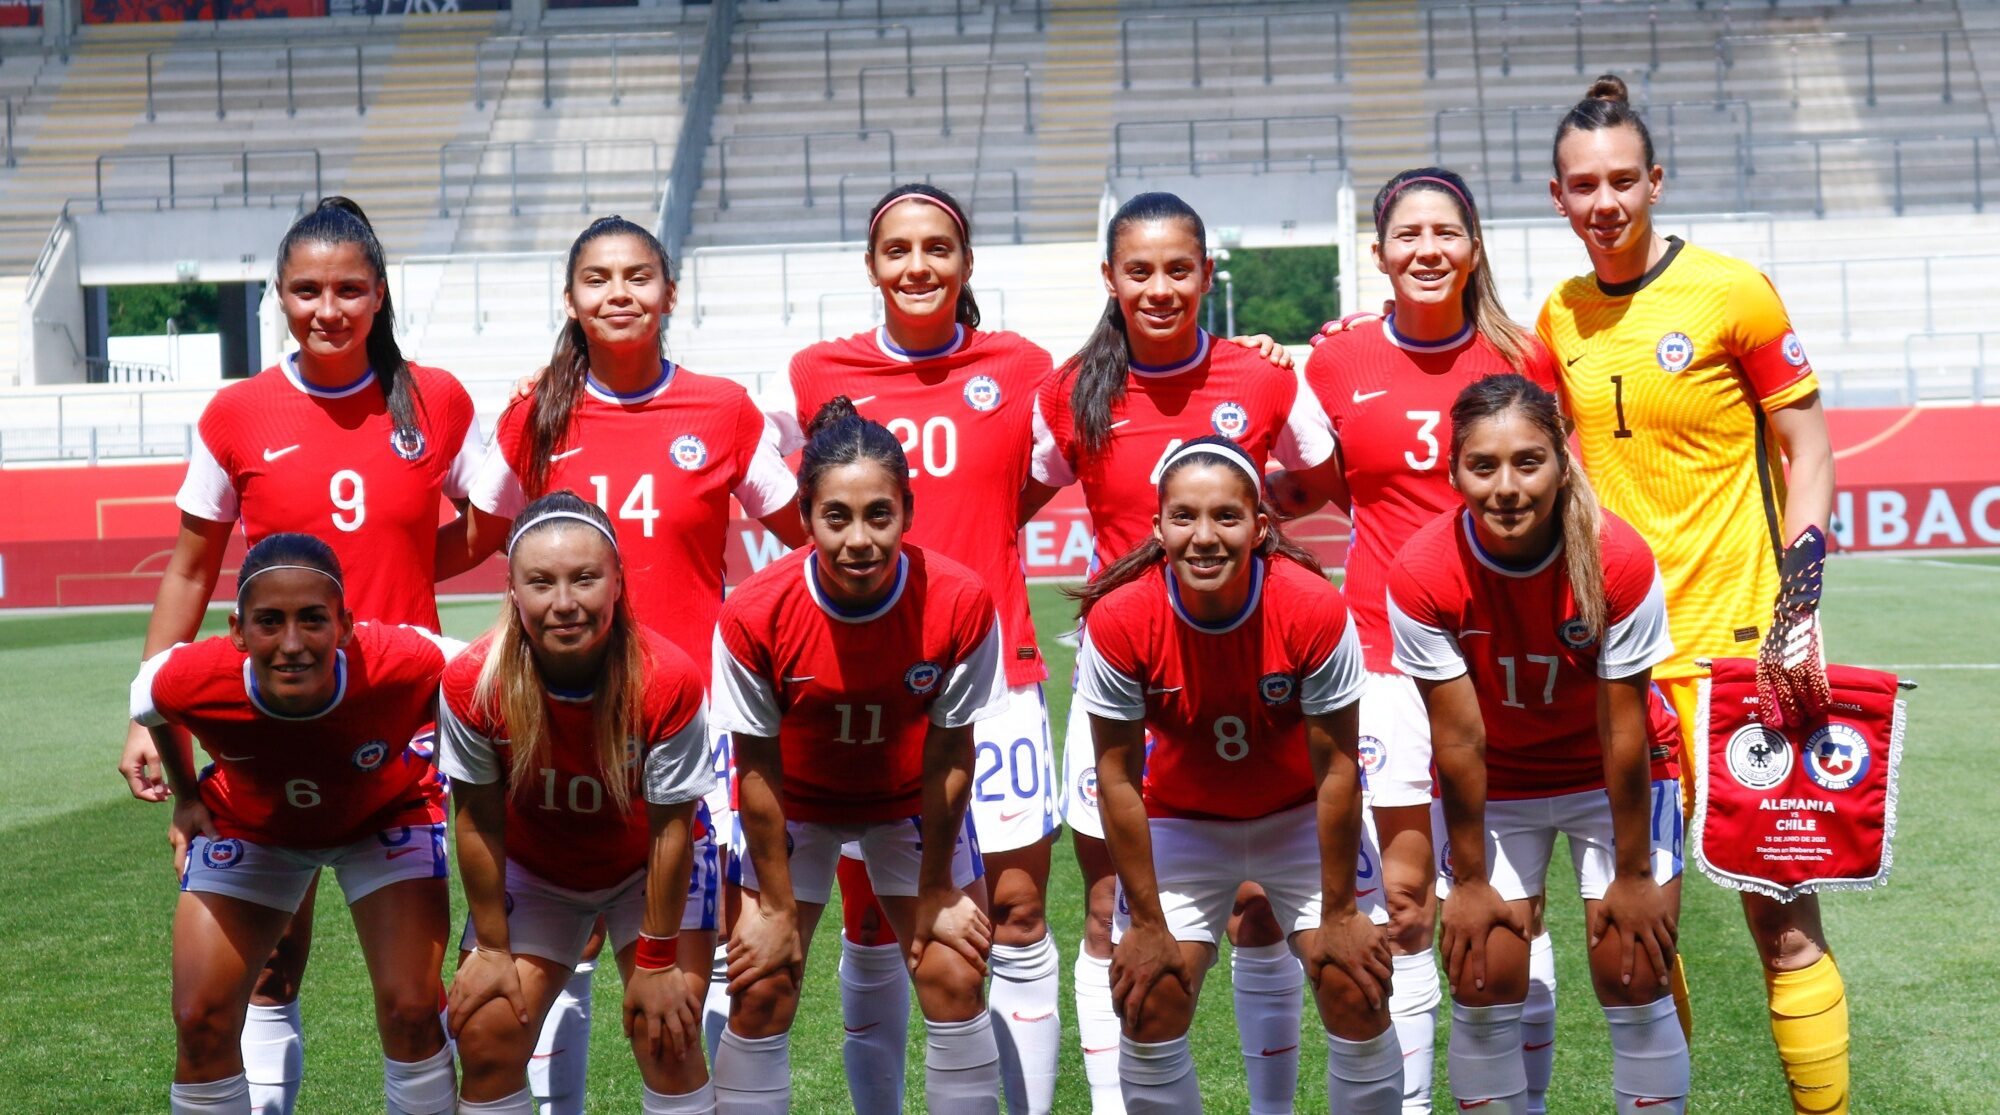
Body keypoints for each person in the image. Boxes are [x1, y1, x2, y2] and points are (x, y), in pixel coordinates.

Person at [117, 196, 483, 1115]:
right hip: (272, 727)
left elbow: (495, 522)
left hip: (397, 731)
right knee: (269, 971)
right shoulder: (239, 411)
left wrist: (395, 577)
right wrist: (141, 717)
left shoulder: (434, 397)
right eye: (308, 289)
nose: (330, 308)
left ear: (379, 292)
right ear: (279, 294)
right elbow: (193, 567)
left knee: (410, 1003)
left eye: (350, 289)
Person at [1538, 75, 1843, 1114]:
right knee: (1634, 928)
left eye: (1622, 178)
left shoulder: (1730, 292)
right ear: (1557, 196)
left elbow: (1806, 452)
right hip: (1620, 670)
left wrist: (1798, 610)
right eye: (1583, 185)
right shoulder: (1558, 314)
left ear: (1654, 181)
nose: (1604, 200)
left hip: (1739, 651)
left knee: (1779, 912)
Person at [466, 214, 805, 1112]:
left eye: (639, 276)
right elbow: (476, 537)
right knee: (540, 977)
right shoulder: (532, 413)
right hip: (561, 721)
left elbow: (807, 537)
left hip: (692, 722)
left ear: (670, 293)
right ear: (571, 300)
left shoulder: (723, 408)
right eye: (598, 279)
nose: (620, 293)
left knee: (697, 991)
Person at [1024, 190, 1343, 1114]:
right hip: (1122, 680)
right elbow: (1019, 493)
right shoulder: (1072, 387)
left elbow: (1318, 478)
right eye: (1139, 271)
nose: (1159, 288)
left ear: (1207, 274)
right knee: (1105, 910)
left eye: (1178, 270)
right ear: (1110, 280)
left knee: (1254, 906)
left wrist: (1250, 516)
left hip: (1246, 669)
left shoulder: (1263, 377)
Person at [764, 183, 1060, 1115]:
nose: (919, 266)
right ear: (871, 265)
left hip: (996, 676)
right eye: (898, 249)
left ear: (968, 264)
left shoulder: (1023, 363)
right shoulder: (816, 372)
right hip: (874, 688)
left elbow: (1040, 479)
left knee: (1010, 919)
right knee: (878, 926)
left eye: (939, 248)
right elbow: (789, 501)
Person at [1270, 167, 1562, 1114]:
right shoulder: (1337, 361)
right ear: (1380, 253)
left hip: (1506, 666)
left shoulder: (1526, 354)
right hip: (1387, 660)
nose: (1427, 249)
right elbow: (1307, 492)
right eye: (1408, 235)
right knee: (1402, 903)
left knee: (1515, 900)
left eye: (1447, 233)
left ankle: (1517, 1100)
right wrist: (1258, 373)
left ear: (1474, 247)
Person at [1388, 374, 1689, 1115]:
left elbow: (1623, 726)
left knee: (1633, 969)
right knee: (1483, 975)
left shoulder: (1618, 556)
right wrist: (1468, 881)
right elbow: (1458, 740)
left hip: (1613, 775)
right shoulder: (1422, 572)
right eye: (1482, 465)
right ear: (1453, 469)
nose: (1507, 487)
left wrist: (1632, 871)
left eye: (1528, 461)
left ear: (1562, 459)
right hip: (1500, 783)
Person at [1072, 436, 1401, 1113]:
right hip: (1182, 824)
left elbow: (1338, 767)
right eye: (1183, 516)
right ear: (1158, 526)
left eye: (1225, 516)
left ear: (1260, 525)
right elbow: (1117, 778)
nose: (1203, 536)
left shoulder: (1310, 606)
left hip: (1297, 817)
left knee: (1355, 985)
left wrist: (1340, 912)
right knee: (1149, 1000)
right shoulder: (1120, 617)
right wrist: (1149, 923)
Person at [707, 397, 1006, 1114]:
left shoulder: (960, 600)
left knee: (956, 974)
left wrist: (937, 888)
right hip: (794, 804)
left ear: (908, 507)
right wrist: (775, 906)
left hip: (907, 797)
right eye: (836, 516)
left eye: (880, 513)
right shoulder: (754, 612)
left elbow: (951, 752)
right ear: (805, 513)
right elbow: (755, 766)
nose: (860, 538)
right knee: (763, 985)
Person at [131, 533, 459, 1115]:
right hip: (255, 825)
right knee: (200, 1020)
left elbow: (484, 679)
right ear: (237, 631)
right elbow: (150, 703)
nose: (291, 644)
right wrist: (186, 795)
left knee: (413, 1010)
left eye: (312, 620)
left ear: (346, 625)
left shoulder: (403, 659)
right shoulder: (194, 677)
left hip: (383, 813)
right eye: (268, 622)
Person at [439, 492, 720, 1115]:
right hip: (538, 874)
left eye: (585, 578)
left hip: (647, 871)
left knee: (666, 1036)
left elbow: (672, 830)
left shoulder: (666, 677)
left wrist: (656, 957)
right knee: (486, 1038)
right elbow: (478, 820)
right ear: (513, 592)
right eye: (541, 583)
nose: (564, 603)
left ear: (618, 582)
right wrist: (491, 949)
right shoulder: (471, 681)